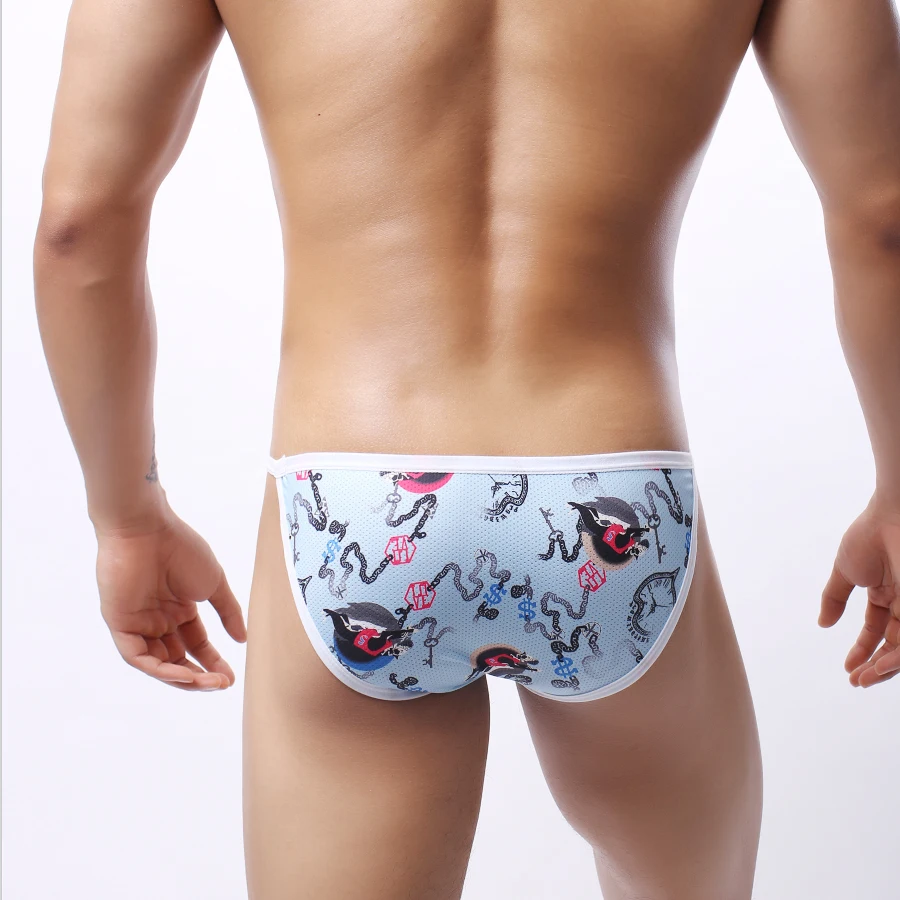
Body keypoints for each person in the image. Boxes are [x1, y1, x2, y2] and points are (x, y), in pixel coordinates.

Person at [32, 0, 900, 897]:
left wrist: (126, 517)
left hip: (356, 508)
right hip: (617, 497)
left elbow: (78, 225)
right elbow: (884, 219)